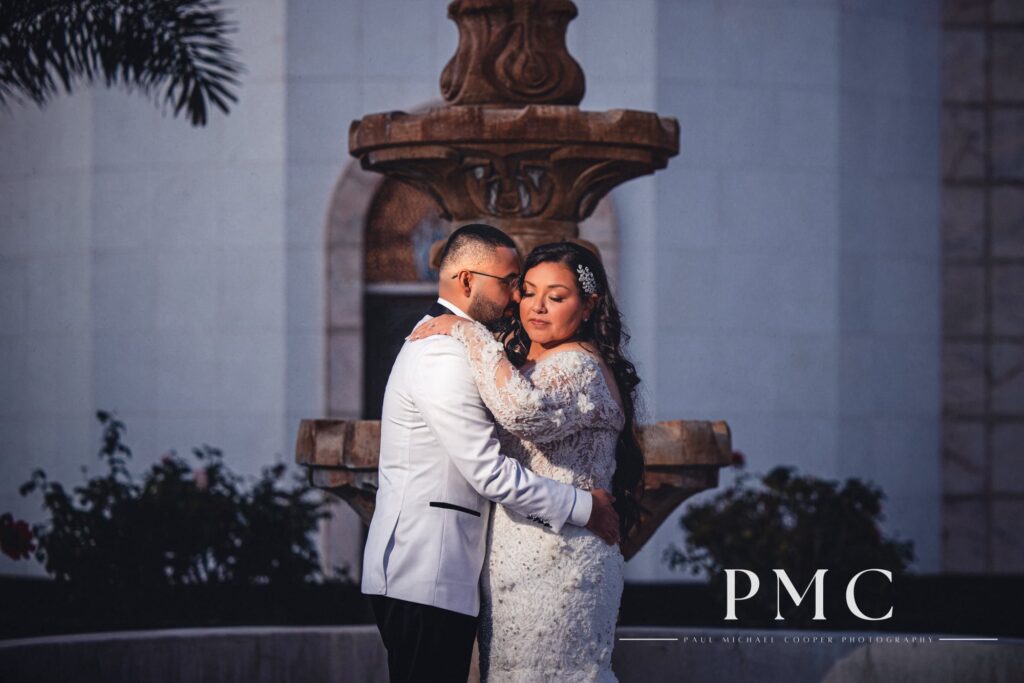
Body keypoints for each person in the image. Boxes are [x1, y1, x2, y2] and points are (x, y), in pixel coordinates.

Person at [361, 224, 621, 683]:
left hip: (484, 571)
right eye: (513, 283)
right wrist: (585, 507)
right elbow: (487, 470)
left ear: (587, 305)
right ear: (467, 281)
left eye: (552, 295)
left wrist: (474, 337)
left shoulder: (474, 347)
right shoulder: (444, 350)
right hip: (429, 571)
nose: (519, 297)